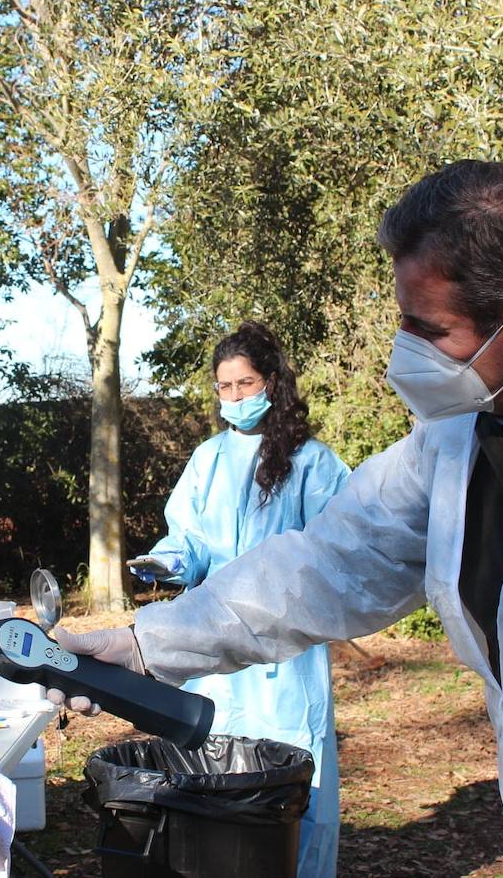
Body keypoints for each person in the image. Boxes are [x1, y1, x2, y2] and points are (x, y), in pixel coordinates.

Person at [55, 161, 503, 875]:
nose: (405, 348)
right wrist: (144, 645)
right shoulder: (463, 435)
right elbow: (327, 565)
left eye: (426, 327)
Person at [127, 321, 347, 878]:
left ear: (272, 382)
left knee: (299, 777)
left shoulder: (313, 462)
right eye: (224, 388)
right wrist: (168, 561)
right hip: (217, 642)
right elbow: (191, 539)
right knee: (218, 773)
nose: (235, 398)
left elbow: (339, 544)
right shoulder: (208, 459)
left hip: (286, 647)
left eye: (245, 383)